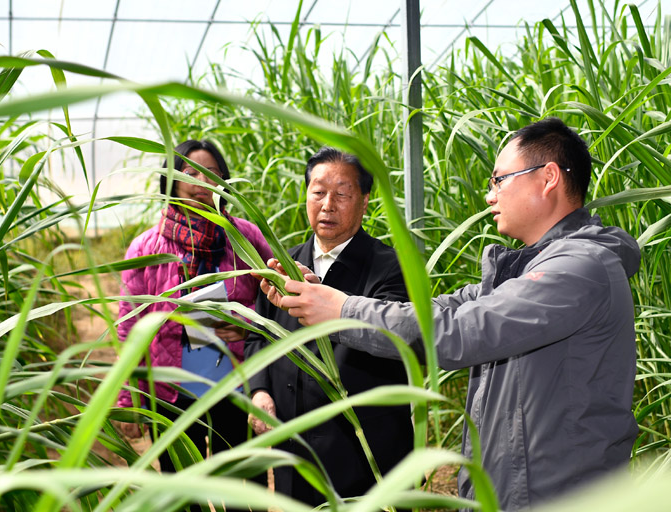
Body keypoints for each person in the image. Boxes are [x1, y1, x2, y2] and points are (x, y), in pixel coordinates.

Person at [260, 119, 641, 510]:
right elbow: (438, 310)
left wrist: (341, 311)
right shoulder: (525, 269)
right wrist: (320, 296)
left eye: (499, 180)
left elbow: (459, 331)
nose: (490, 196)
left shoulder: (579, 269)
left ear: (547, 178)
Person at [244, 147, 414, 506]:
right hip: (294, 450)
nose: (327, 204)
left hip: (363, 453)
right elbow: (257, 337)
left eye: (342, 194)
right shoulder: (282, 266)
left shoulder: (392, 269)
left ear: (365, 200)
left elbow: (395, 338)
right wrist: (259, 391)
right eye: (318, 192)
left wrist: (323, 297)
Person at [116, 139, 273, 475]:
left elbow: (274, 299)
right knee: (182, 495)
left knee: (244, 492)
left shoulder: (245, 237)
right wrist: (129, 399)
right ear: (172, 181)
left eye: (211, 174)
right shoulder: (146, 248)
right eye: (191, 173)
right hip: (171, 395)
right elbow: (129, 329)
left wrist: (247, 324)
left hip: (237, 390)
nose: (201, 183)